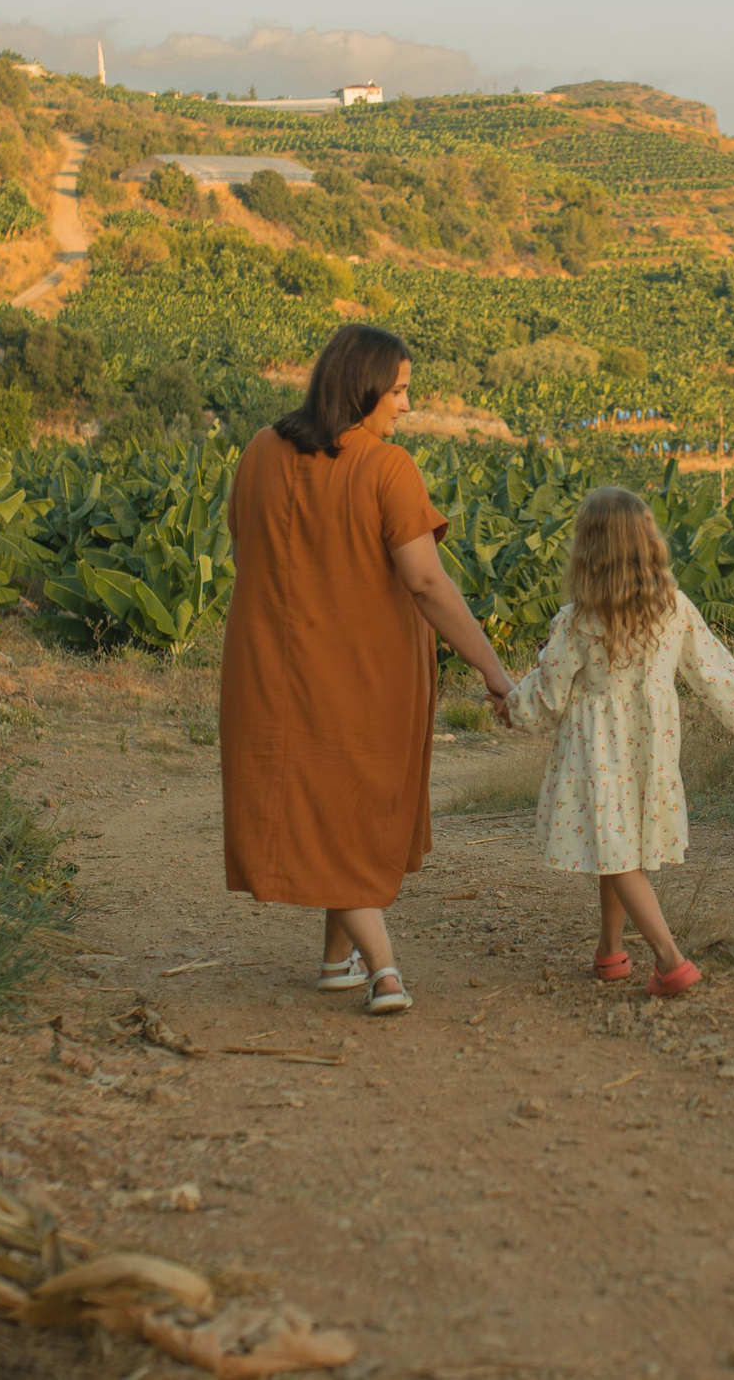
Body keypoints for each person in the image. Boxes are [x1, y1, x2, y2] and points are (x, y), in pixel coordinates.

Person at [219, 323, 515, 1018]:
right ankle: (384, 968)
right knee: (345, 805)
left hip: (267, 668)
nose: (406, 407)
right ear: (365, 389)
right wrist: (495, 670)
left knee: (330, 802)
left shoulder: (260, 450)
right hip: (357, 671)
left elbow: (246, 549)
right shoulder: (387, 468)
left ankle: (333, 958)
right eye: (401, 390)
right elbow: (427, 583)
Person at [507, 486, 734, 999]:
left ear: (589, 549)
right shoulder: (674, 609)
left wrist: (509, 706)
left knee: (617, 851)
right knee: (619, 846)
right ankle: (610, 951)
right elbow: (716, 674)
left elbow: (547, 692)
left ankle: (670, 959)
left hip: (596, 751)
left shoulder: (577, 619)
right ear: (648, 544)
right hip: (651, 748)